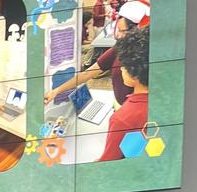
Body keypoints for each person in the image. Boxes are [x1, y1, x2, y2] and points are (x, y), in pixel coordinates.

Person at [44, 0, 150, 108]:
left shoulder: (146, 57)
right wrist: (57, 91)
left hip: (131, 110)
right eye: (118, 29)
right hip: (120, 106)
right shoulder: (120, 47)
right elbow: (87, 74)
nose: (118, 35)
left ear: (139, 30)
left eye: (123, 31)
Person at [98, 26, 149, 161]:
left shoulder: (122, 119)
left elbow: (107, 164)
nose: (120, 69)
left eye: (123, 66)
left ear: (135, 74)